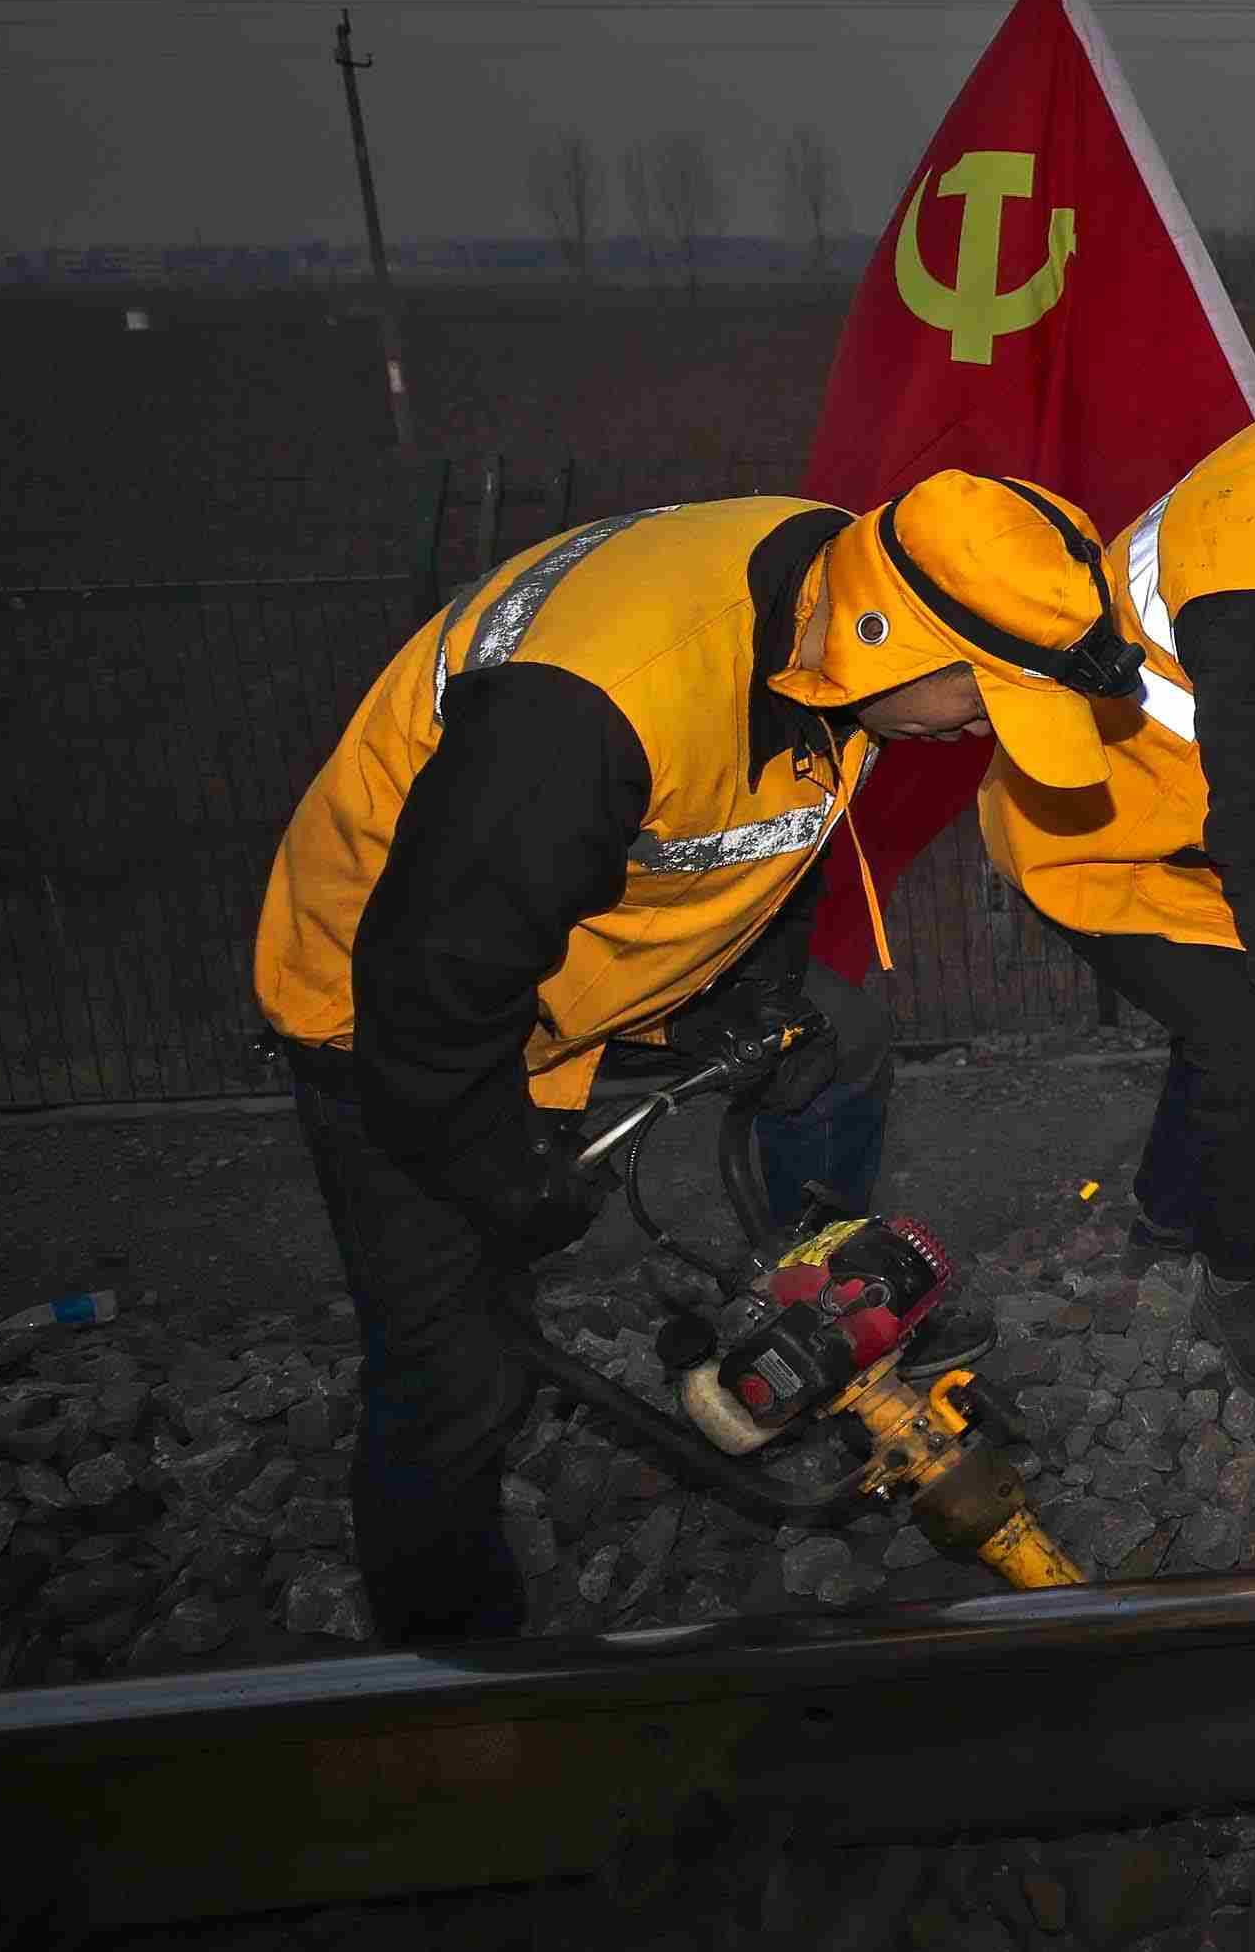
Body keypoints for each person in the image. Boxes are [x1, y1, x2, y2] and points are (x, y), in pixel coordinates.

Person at [254, 471, 1138, 1642]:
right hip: (391, 1011)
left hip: (583, 939)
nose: (981, 733)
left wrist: (755, 993)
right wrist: (502, 1173)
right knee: (457, 1371)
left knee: (840, 1036)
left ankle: (820, 1303)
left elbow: (778, 813)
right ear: (888, 638)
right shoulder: (581, 714)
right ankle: (455, 1674)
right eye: (979, 702)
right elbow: (429, 990)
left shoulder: (829, 594)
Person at [977, 401, 1255, 1413]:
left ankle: (1167, 1214)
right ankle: (1238, 1291)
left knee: (1220, 1027)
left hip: (1181, 821)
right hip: (1092, 833)